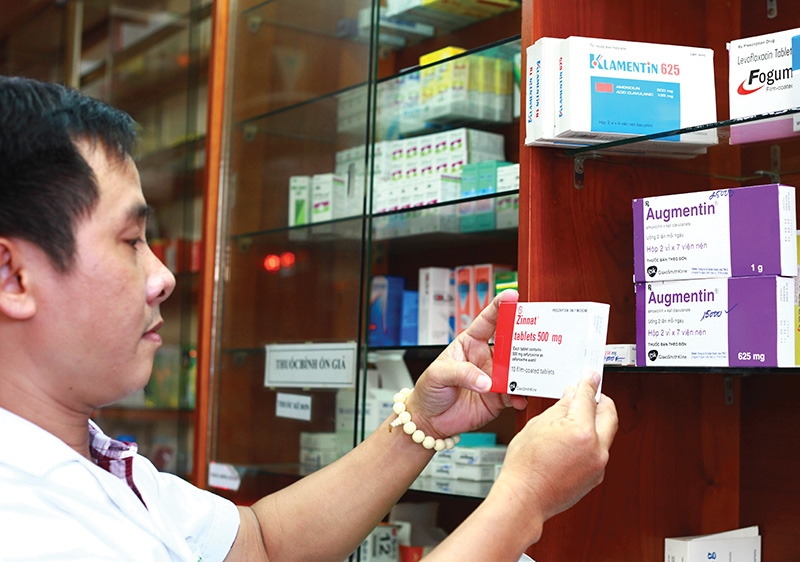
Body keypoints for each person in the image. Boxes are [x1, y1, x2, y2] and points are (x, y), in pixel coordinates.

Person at [0, 75, 618, 562]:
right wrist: (522, 499)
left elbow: (262, 543)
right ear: (13, 276)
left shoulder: (98, 462)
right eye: (131, 241)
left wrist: (420, 423)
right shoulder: (24, 523)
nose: (163, 277)